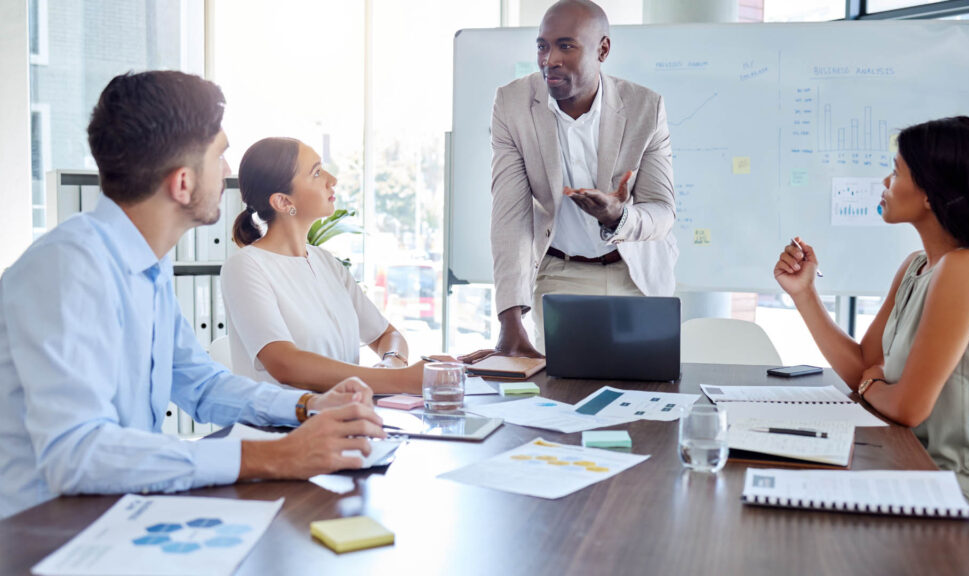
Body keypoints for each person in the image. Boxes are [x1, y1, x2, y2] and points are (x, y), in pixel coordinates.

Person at [0, 71, 385, 519]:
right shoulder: (69, 268)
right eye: (219, 155)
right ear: (182, 183)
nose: (227, 171)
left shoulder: (149, 265)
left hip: (115, 515)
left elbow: (200, 383)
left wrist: (308, 405)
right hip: (39, 537)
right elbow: (77, 454)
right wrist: (278, 456)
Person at [773, 116, 969, 541]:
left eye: (897, 170)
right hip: (916, 471)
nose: (885, 182)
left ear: (930, 193)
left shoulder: (966, 270)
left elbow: (908, 407)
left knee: (809, 533)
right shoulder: (916, 267)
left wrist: (875, 387)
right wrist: (804, 295)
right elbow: (863, 367)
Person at [460, 0, 677, 362]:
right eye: (542, 46)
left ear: (602, 50)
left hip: (637, 275)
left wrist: (617, 216)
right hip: (562, 274)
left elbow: (662, 211)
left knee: (646, 395)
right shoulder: (512, 104)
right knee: (562, 398)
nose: (550, 59)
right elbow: (510, 215)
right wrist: (510, 319)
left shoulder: (645, 107)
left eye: (566, 46)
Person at [220, 137, 426, 395]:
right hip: (284, 429)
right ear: (284, 202)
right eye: (316, 173)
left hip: (344, 421)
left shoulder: (327, 263)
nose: (332, 179)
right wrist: (401, 380)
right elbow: (286, 365)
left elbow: (386, 335)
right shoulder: (245, 267)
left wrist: (393, 362)